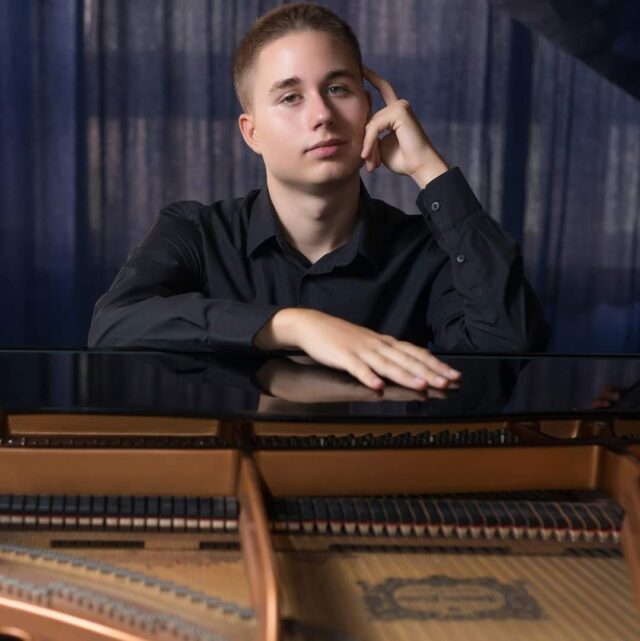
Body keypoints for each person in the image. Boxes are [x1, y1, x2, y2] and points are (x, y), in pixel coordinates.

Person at [88, 3, 549, 392]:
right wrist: (291, 325)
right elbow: (112, 327)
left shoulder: (423, 251)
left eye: (337, 89)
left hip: (380, 472)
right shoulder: (195, 232)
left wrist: (429, 169)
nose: (323, 115)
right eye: (291, 97)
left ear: (369, 110)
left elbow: (509, 351)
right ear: (252, 133)